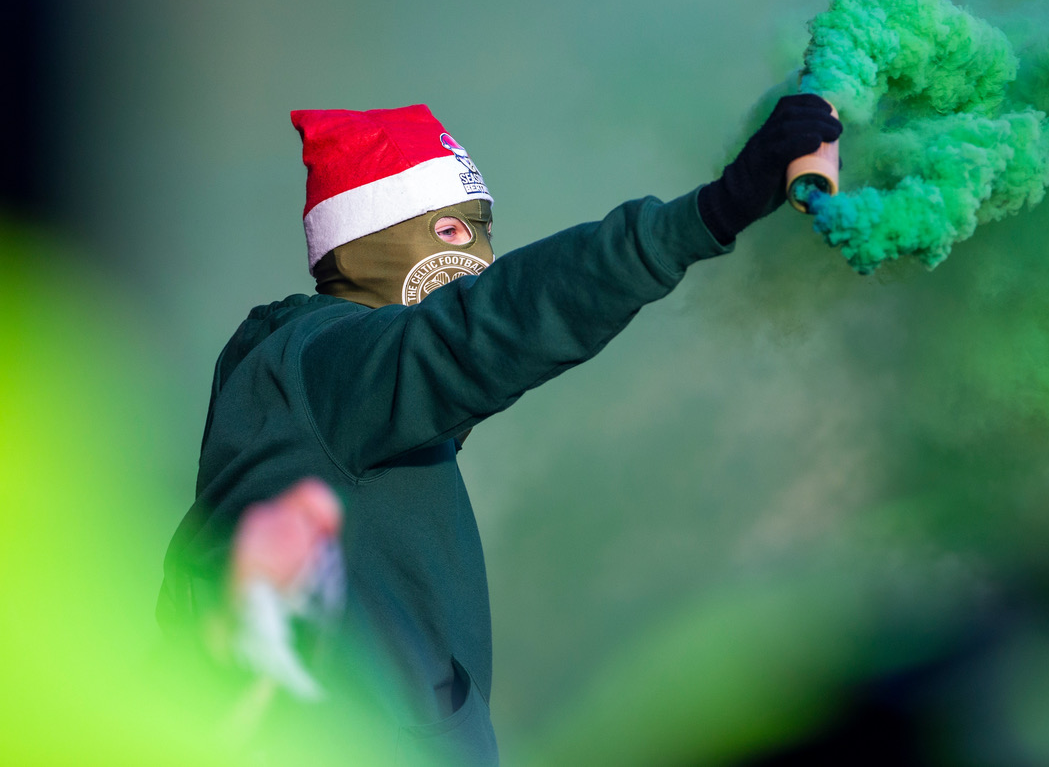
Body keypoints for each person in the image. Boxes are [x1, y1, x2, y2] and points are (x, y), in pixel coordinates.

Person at [157, 96, 843, 765]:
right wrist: (706, 214)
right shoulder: (327, 369)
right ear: (370, 248)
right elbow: (486, 326)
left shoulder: (329, 401)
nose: (481, 257)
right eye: (453, 232)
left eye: (485, 229)